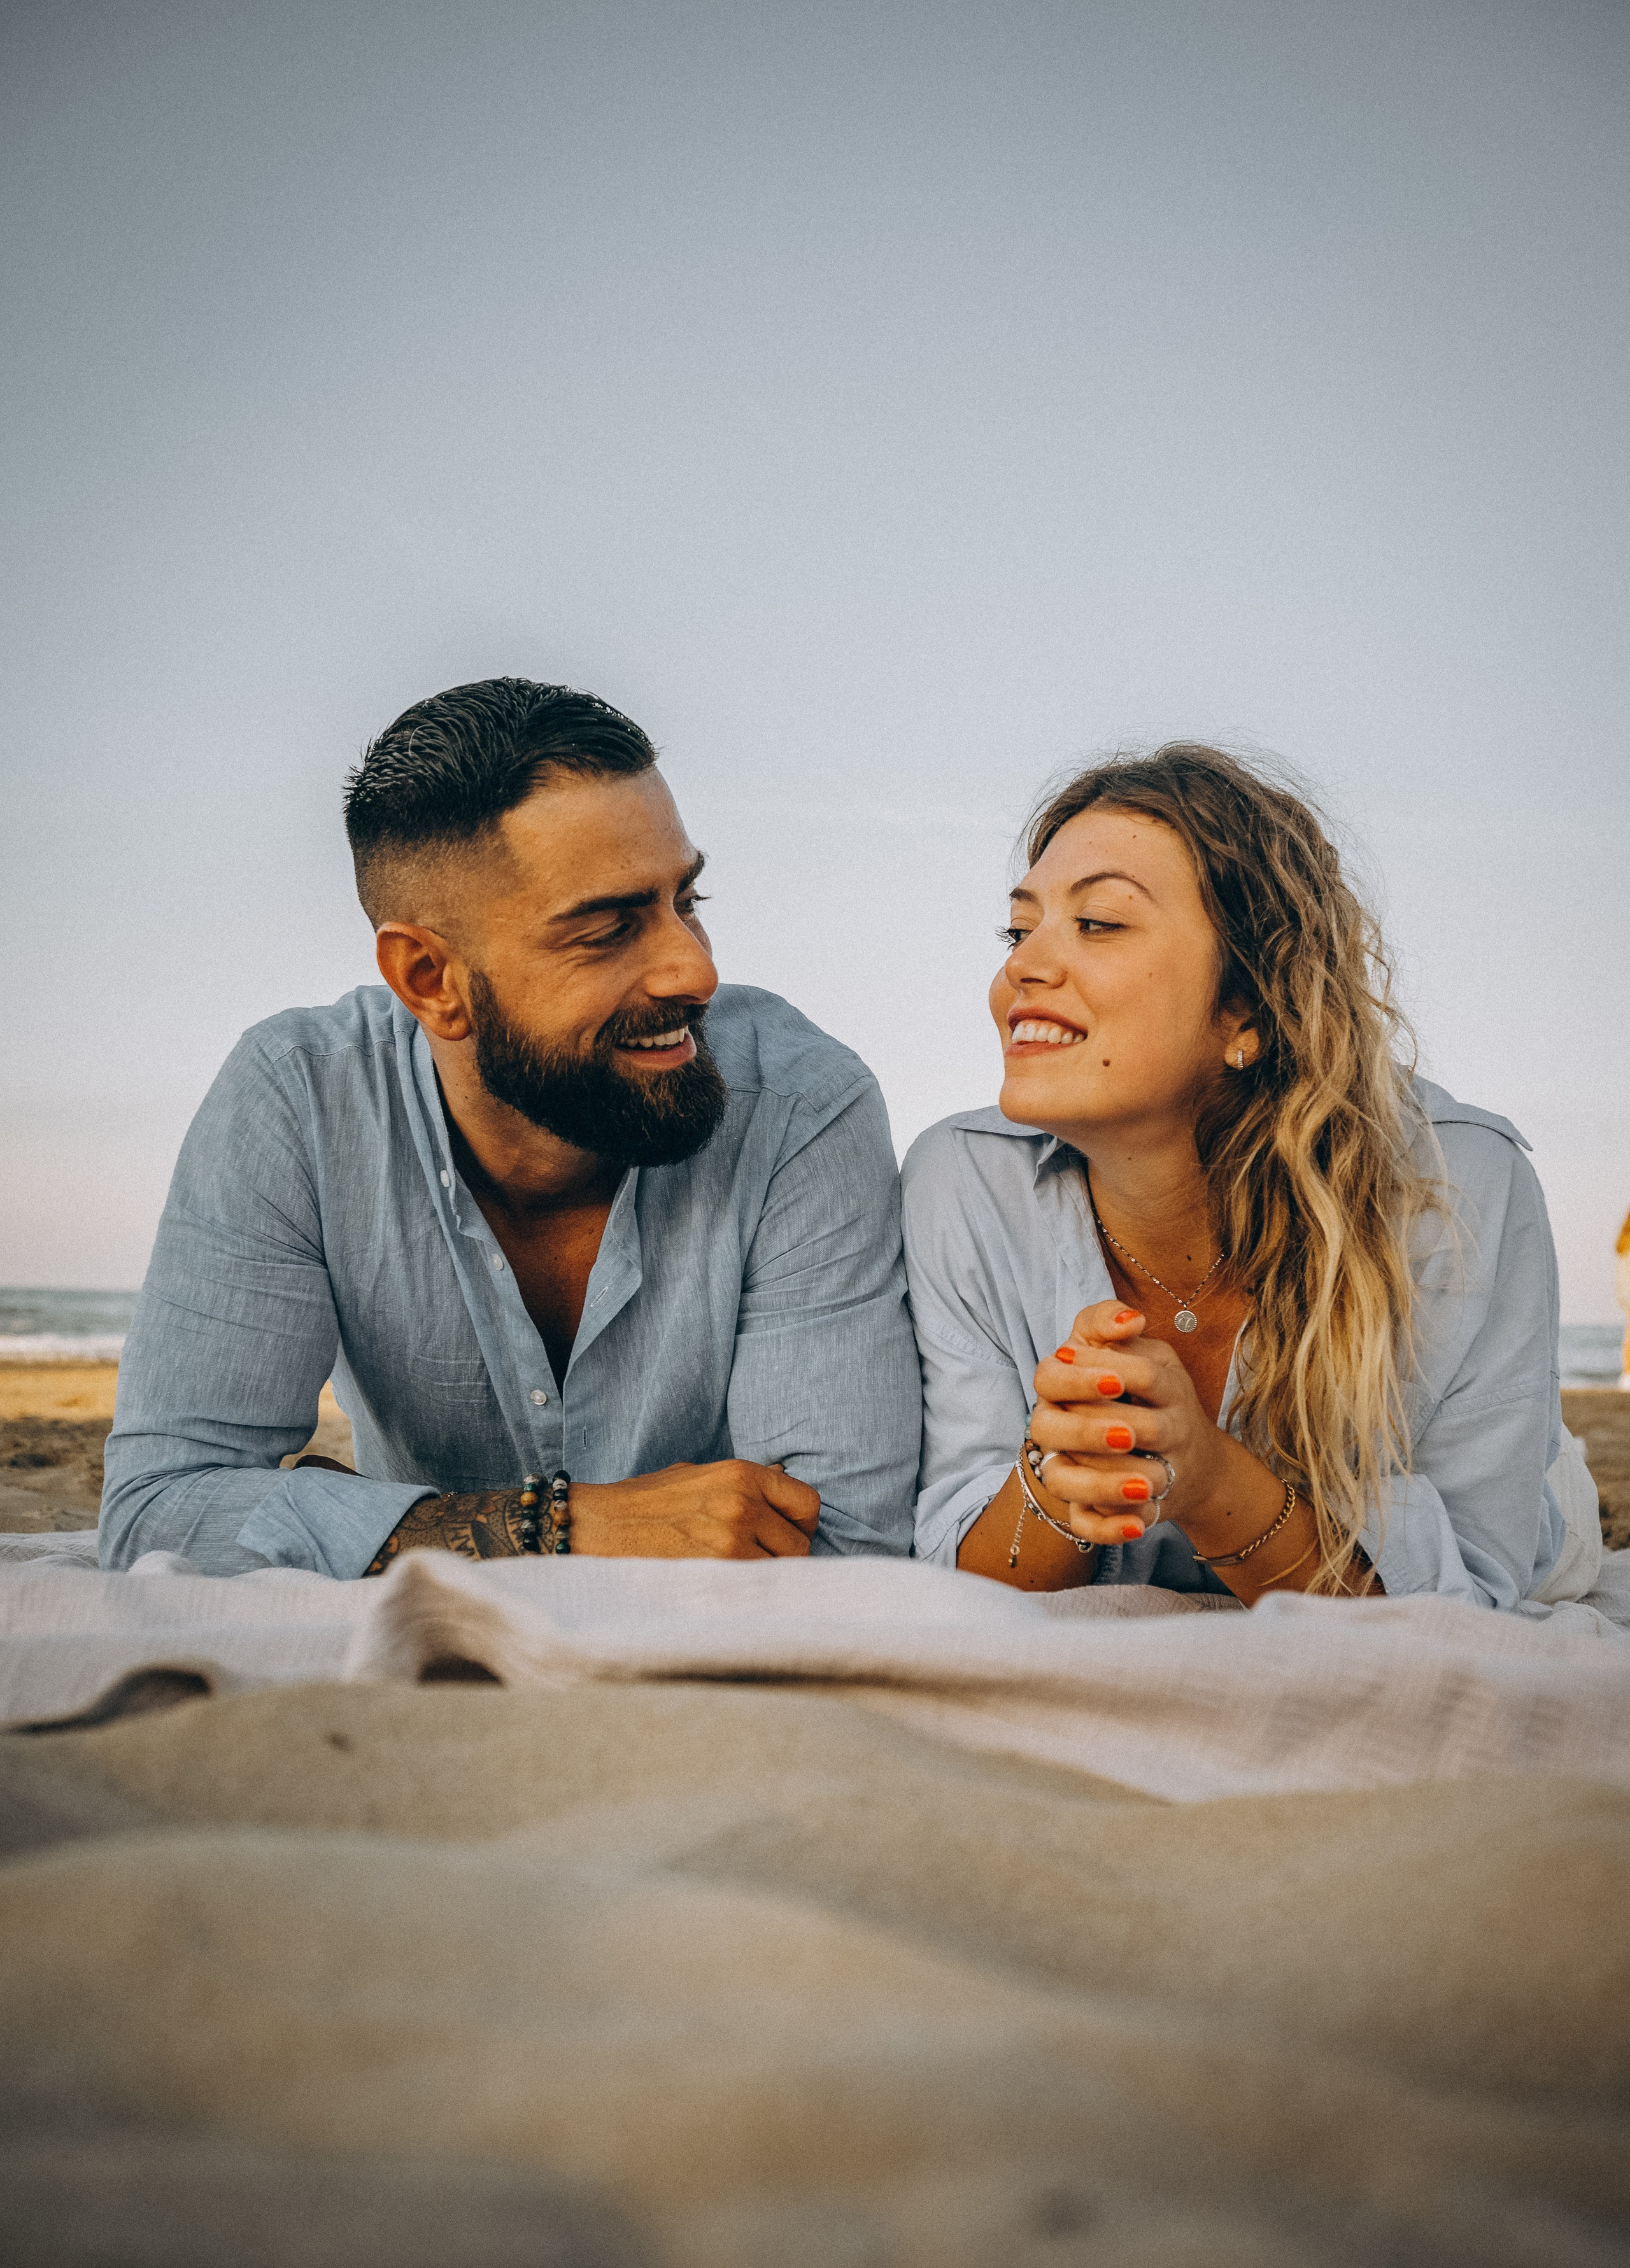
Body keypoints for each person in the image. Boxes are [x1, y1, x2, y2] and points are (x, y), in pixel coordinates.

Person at [101, 678, 919, 1575]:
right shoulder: (300, 1098)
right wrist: (558, 1525)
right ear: (429, 980)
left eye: (686, 901)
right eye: (607, 931)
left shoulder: (800, 1105)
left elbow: (842, 1548)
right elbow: (158, 1511)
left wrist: (379, 1530)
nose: (695, 973)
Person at [905, 743, 1598, 1609]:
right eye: (1020, 930)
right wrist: (1059, 1478)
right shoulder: (961, 1182)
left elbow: (1470, 1590)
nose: (1021, 967)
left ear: (1248, 1009)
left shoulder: (1458, 1186)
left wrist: (1206, 1479)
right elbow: (960, 1579)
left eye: (1100, 923)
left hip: (1531, 1524)